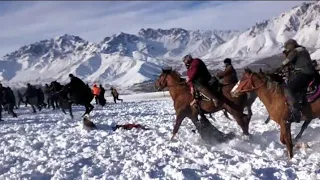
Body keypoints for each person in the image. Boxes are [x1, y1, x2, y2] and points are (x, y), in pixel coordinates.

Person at [274, 39, 317, 123]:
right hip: (310, 73)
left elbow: (286, 61)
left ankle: (296, 113)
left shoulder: (295, 51)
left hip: (303, 73)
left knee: (289, 88)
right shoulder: (303, 50)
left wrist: (277, 69)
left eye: (287, 48)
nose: (287, 50)